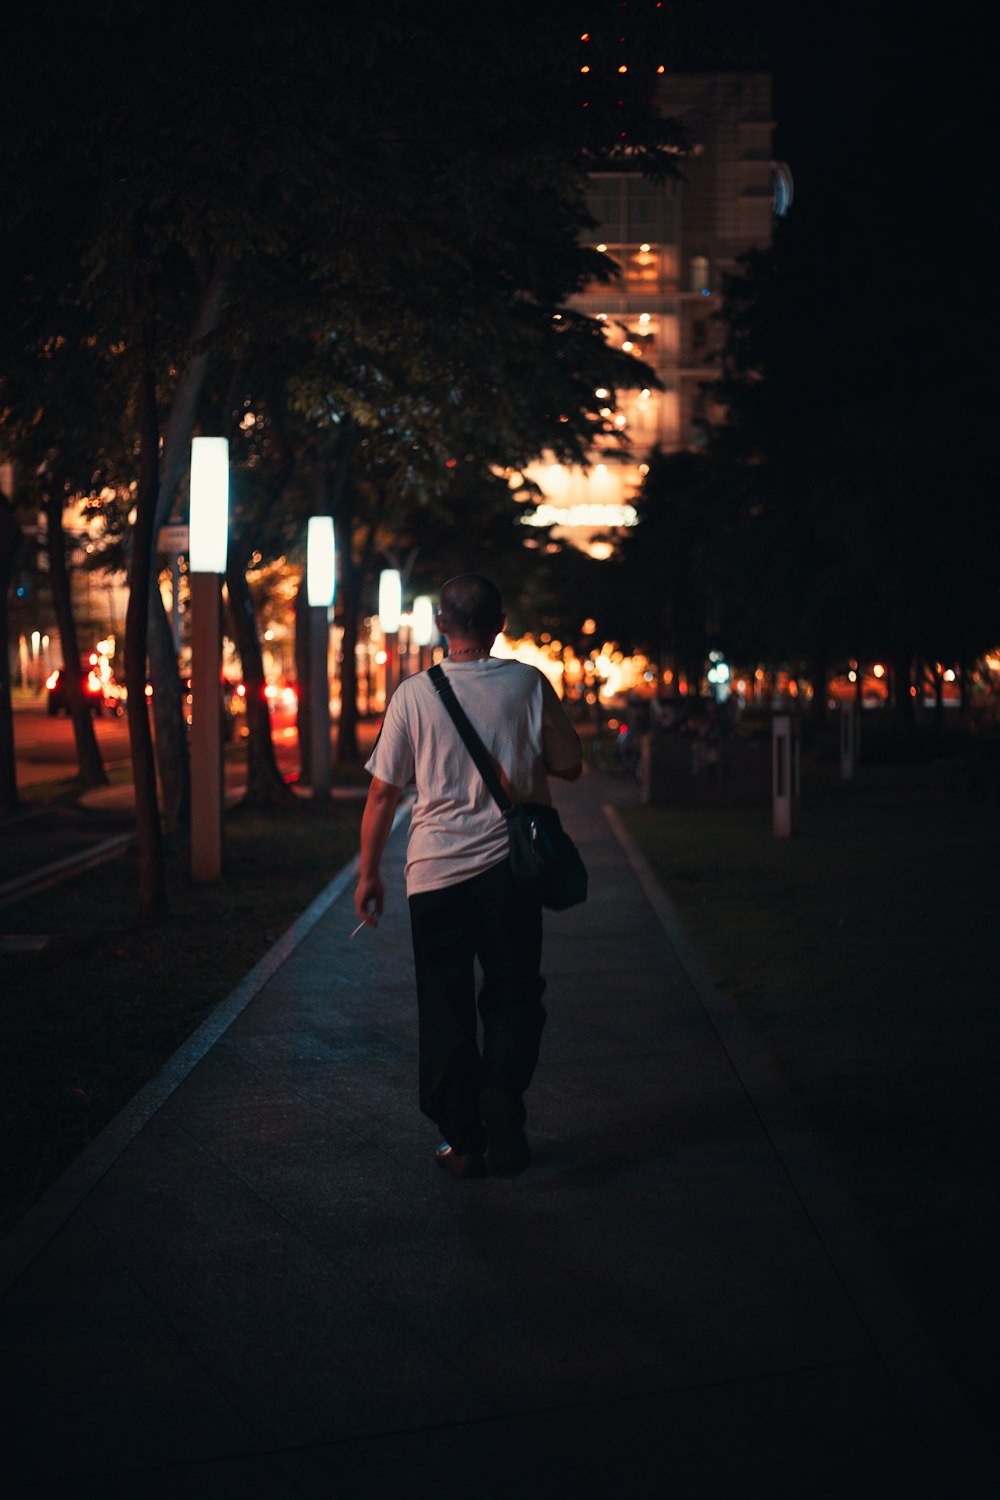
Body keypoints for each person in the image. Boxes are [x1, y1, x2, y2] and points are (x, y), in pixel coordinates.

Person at [354, 574, 582, 1179]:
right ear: (500, 623)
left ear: (440, 626)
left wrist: (368, 874)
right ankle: (501, 1092)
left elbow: (382, 792)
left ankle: (463, 1140)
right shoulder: (529, 683)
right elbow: (571, 763)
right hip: (511, 873)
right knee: (514, 991)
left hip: (433, 876)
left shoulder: (413, 694)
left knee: (444, 1003)